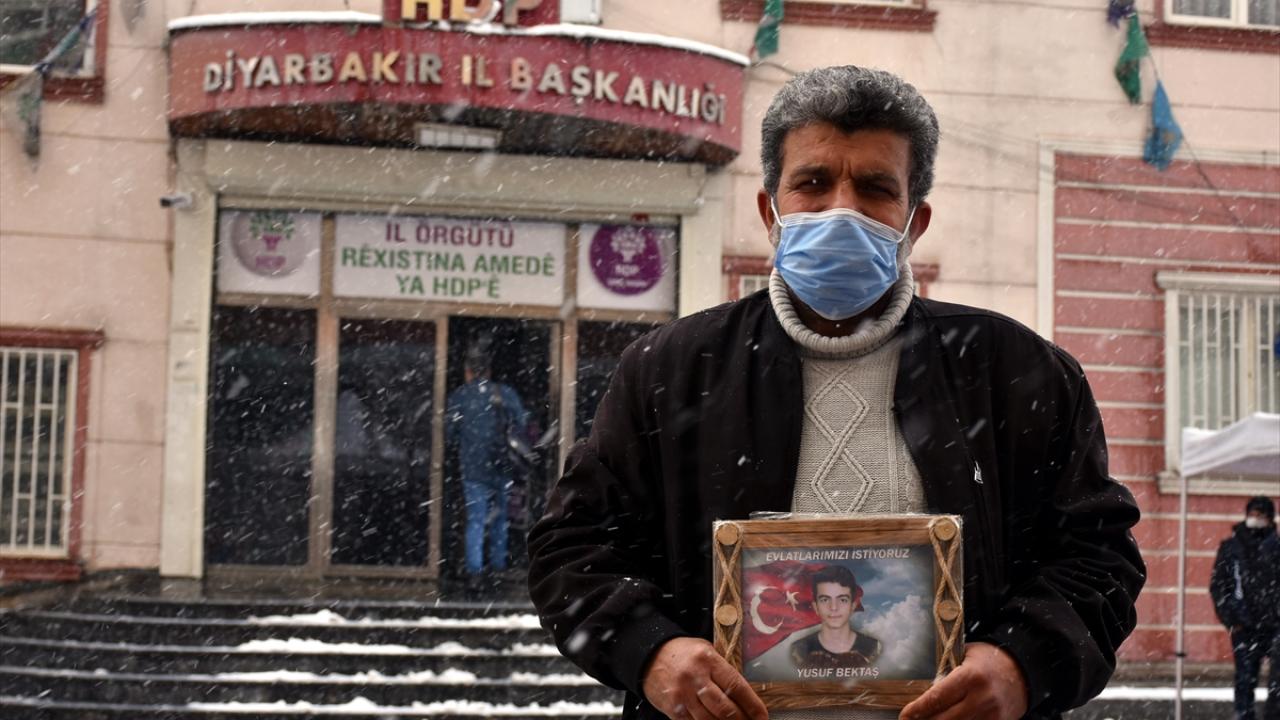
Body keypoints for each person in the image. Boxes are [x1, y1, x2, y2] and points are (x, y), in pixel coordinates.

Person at [528, 65, 1145, 720]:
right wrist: (653, 653)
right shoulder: (671, 370)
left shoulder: (1018, 374)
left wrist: (1023, 662)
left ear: (915, 222)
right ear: (769, 209)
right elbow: (574, 548)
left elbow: (1097, 557)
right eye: (813, 183)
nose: (841, 209)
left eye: (876, 189)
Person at [446, 335, 528, 592]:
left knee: (476, 520)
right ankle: (499, 566)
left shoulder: (459, 397)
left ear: (468, 371)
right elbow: (522, 425)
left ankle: (474, 571)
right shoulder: (505, 394)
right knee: (501, 518)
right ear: (489, 371)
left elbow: (450, 433)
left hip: (473, 467)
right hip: (502, 466)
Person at [1210, 496, 1279, 720]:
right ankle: (1244, 716)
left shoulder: (1276, 547)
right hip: (1244, 626)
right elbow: (1219, 585)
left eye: (1261, 515)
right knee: (1244, 680)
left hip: (1275, 626)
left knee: (1278, 683)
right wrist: (1231, 619)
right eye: (1253, 514)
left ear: (1270, 519)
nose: (1256, 519)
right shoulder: (1231, 547)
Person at [788, 565, 881, 671]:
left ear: (853, 606)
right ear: (816, 607)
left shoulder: (874, 648)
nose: (833, 607)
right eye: (825, 599)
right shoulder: (798, 650)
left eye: (842, 600)